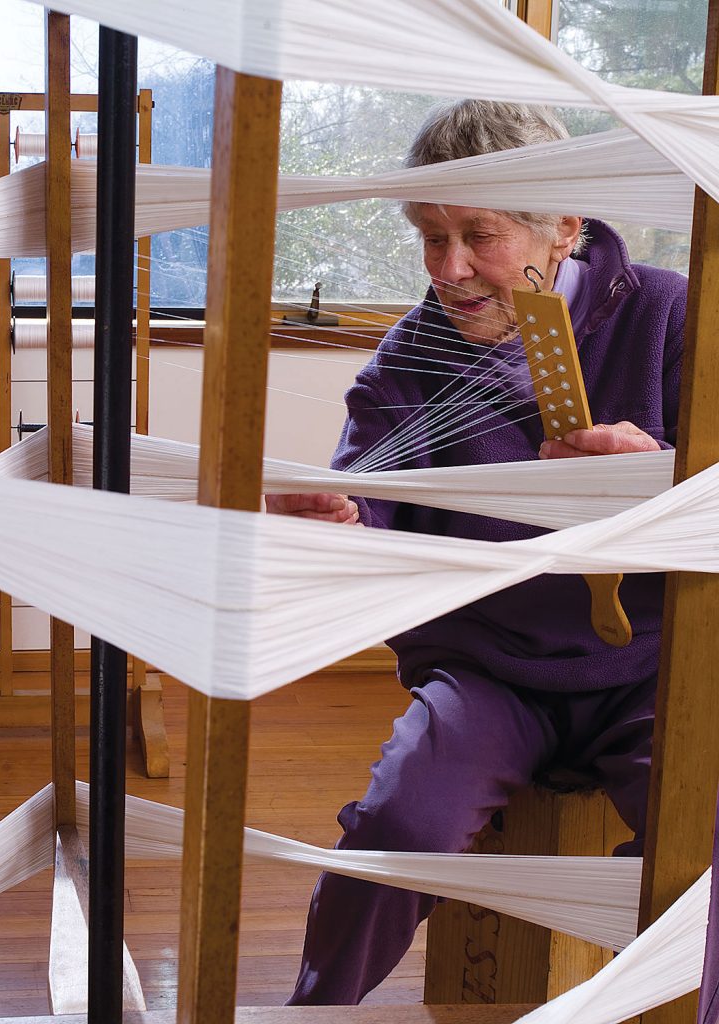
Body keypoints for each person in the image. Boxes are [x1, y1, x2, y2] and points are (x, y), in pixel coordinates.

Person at [271, 99, 686, 1005]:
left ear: (566, 227)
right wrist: (342, 522)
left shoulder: (675, 318)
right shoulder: (408, 359)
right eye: (430, 237)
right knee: (398, 826)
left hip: (658, 672)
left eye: (479, 236)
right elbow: (373, 507)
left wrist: (655, 476)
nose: (450, 270)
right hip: (489, 673)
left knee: (701, 847)